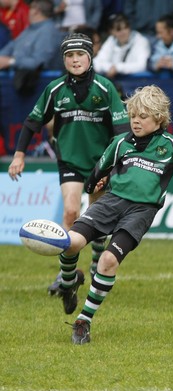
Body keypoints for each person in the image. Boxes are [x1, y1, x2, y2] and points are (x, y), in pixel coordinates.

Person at [50, 84, 173, 345]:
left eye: (143, 116)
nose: (136, 120)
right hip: (110, 203)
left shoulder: (171, 145)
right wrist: (94, 185)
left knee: (108, 262)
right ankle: (68, 282)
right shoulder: (119, 142)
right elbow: (96, 174)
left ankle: (84, 320)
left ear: (159, 119)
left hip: (140, 212)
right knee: (70, 243)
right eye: (133, 115)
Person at [8, 33, 130, 294]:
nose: (75, 60)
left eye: (80, 55)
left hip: (102, 163)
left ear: (90, 57)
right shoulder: (55, 89)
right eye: (69, 56)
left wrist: (111, 166)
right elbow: (32, 122)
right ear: (64, 60)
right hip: (70, 161)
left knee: (97, 219)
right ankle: (68, 275)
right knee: (71, 214)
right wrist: (18, 155)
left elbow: (122, 132)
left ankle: (97, 265)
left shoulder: (106, 88)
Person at [0, 0, 63, 72]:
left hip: (40, 80)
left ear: (36, 11)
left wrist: (11, 61)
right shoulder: (30, 29)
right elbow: (12, 45)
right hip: (20, 77)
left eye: (30, 8)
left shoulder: (48, 32)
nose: (28, 11)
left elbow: (39, 62)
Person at [93, 13, 151, 79]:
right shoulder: (111, 40)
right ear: (112, 32)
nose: (123, 32)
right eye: (118, 29)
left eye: (126, 28)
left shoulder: (141, 41)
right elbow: (97, 62)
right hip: (116, 81)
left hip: (136, 82)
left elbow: (142, 66)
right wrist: (110, 68)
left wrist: (117, 68)